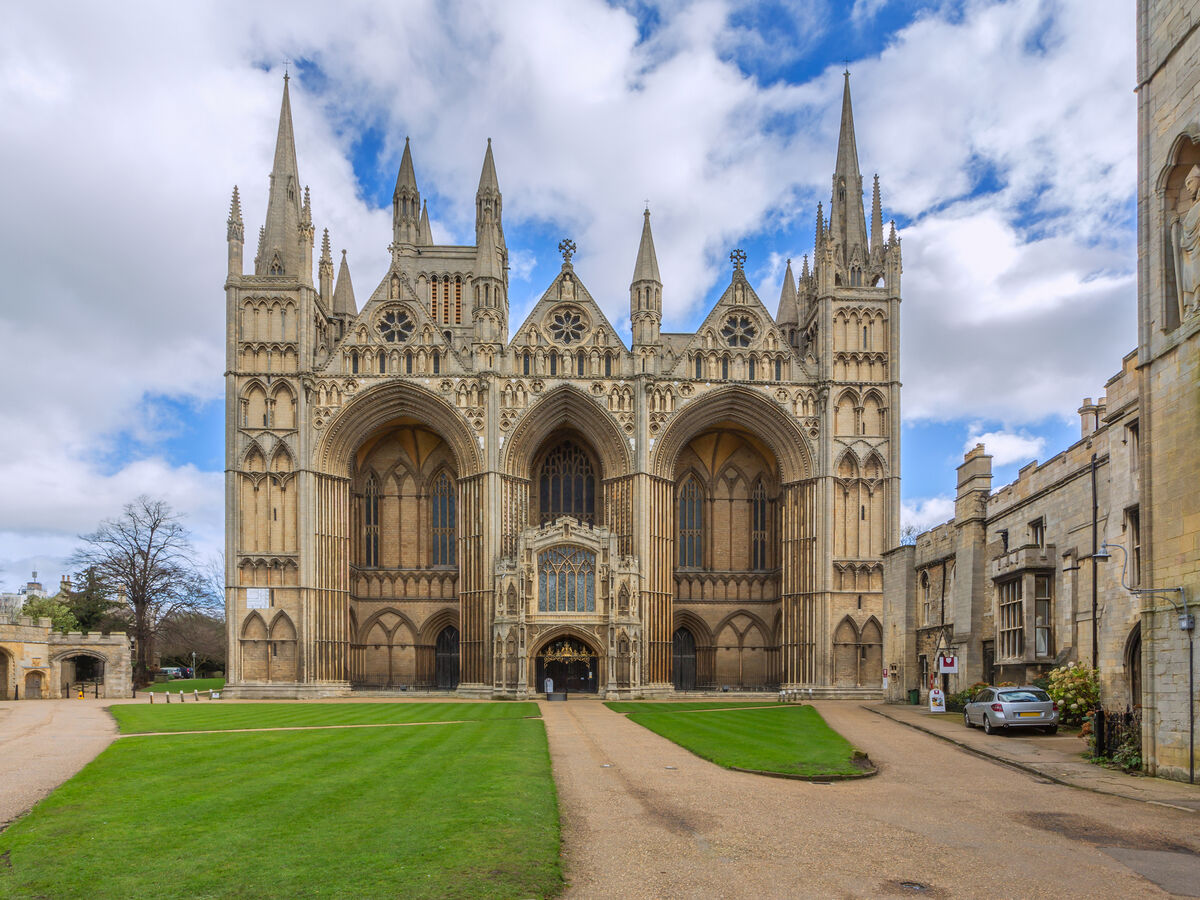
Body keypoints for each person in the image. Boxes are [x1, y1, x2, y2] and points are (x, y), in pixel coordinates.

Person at [1173, 164, 1200, 319]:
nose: (1188, 188)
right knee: (1191, 273)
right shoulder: (1193, 207)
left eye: (1190, 182)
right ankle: (1193, 305)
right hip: (1191, 251)